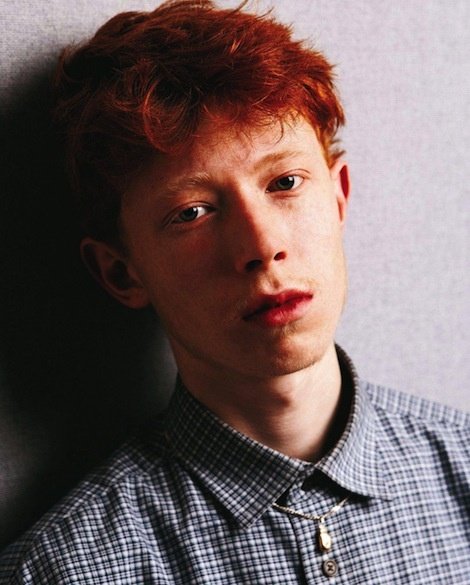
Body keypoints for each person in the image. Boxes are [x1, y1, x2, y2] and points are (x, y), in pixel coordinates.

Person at [1, 0, 469, 582]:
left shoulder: (461, 467)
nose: (262, 245)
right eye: (192, 212)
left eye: (285, 182)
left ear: (338, 197)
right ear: (121, 273)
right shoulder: (65, 571)